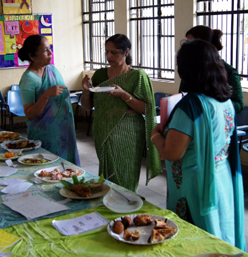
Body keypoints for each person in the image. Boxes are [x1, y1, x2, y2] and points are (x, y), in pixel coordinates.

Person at [151, 39, 246, 250]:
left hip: (195, 183)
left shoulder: (191, 106)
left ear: (186, 70)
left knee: (195, 236)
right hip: (221, 177)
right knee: (220, 228)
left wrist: (156, 135)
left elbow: (171, 153)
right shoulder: (225, 101)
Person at [81, 34, 161, 192]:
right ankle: (109, 204)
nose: (109, 56)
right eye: (107, 52)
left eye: (114, 52)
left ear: (126, 52)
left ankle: (127, 205)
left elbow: (147, 109)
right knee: (107, 172)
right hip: (102, 129)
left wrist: (124, 95)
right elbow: (87, 106)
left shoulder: (138, 77)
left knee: (125, 172)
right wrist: (85, 91)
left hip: (128, 132)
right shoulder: (100, 75)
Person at [18, 35, 80, 165]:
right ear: (32, 56)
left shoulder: (52, 69)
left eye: (50, 48)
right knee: (48, 168)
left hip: (64, 130)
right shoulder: (29, 79)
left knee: (67, 169)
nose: (50, 53)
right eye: (45, 50)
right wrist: (46, 95)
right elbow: (29, 113)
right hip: (46, 135)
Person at [179, 25, 244, 114]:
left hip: (217, 121)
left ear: (204, 46)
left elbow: (239, 105)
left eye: (190, 43)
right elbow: (182, 94)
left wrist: (211, 104)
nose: (186, 48)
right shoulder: (190, 70)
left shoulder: (229, 72)